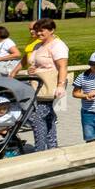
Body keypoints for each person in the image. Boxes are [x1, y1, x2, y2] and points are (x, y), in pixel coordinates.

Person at [27, 18, 69, 150]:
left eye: (42, 30)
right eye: (37, 31)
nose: (38, 33)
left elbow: (62, 66)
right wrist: (32, 69)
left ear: (51, 30)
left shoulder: (58, 45)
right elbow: (35, 63)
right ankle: (52, 146)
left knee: (38, 117)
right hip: (38, 86)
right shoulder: (38, 45)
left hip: (50, 86)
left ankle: (39, 148)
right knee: (48, 118)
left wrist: (61, 85)